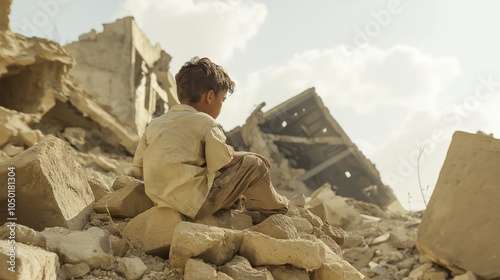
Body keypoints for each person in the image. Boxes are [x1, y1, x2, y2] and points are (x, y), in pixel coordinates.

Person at [132, 57, 289, 220]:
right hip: (195, 204)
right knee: (253, 165)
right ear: (210, 96)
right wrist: (249, 155)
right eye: (222, 100)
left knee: (208, 170)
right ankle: (277, 209)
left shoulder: (155, 123)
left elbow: (140, 167)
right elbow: (224, 160)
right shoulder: (205, 122)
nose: (221, 105)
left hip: (160, 202)